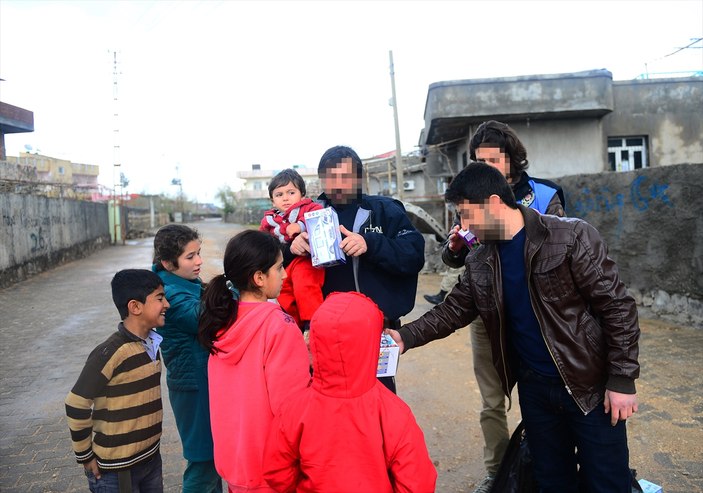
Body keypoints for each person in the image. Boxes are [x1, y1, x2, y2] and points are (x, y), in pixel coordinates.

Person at [389, 162, 640, 493]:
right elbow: (453, 310)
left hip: (589, 386)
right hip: (535, 389)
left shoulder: (569, 236)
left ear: (494, 203)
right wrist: (403, 337)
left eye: (466, 214)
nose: (463, 226)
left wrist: (621, 379)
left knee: (606, 481)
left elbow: (617, 306)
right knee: (551, 481)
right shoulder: (480, 261)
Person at [423, 120, 566, 493]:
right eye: (477, 159)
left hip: (538, 316)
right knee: (492, 400)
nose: (483, 166)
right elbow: (460, 261)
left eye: (492, 159)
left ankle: (551, 465)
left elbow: (559, 253)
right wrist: (454, 248)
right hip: (486, 313)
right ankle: (499, 471)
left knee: (549, 394)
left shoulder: (545, 194)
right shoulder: (470, 194)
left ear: (512, 160)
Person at [263, 291, 437, 493]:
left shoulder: (295, 407)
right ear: (373, 342)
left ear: (315, 342)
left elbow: (276, 471)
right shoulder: (394, 413)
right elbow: (418, 484)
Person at [288, 145, 425, 393]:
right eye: (330, 177)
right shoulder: (306, 216)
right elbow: (276, 269)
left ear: (359, 178)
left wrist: (370, 243)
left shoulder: (385, 210)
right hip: (323, 333)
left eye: (345, 176)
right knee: (325, 401)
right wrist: (292, 247)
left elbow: (414, 255)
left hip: (375, 330)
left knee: (376, 399)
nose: (337, 184)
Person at [198, 230, 311, 492]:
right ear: (259, 278)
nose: (285, 275)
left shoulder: (221, 319)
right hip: (273, 468)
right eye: (280, 268)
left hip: (235, 462)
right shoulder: (278, 325)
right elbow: (290, 407)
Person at [65, 269, 169, 493]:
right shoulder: (110, 352)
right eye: (160, 298)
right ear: (135, 307)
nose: (167, 304)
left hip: (150, 459)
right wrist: (85, 456)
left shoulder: (152, 344)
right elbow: (76, 403)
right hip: (115, 472)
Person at [152, 224, 222, 492]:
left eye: (199, 253)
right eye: (190, 256)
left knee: (213, 457)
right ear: (169, 263)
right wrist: (234, 291)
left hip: (201, 380)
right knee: (203, 460)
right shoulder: (170, 293)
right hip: (193, 386)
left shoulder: (183, 283)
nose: (199, 261)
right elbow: (204, 320)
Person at [260, 168, 324, 332]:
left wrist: (301, 224)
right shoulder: (270, 220)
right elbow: (261, 239)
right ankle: (292, 327)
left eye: (291, 192)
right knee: (284, 293)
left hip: (306, 261)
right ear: (273, 201)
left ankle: (312, 322)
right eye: (279, 195)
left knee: (305, 286)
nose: (286, 198)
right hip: (284, 264)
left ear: (301, 194)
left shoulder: (309, 208)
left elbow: (319, 216)